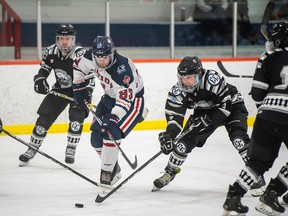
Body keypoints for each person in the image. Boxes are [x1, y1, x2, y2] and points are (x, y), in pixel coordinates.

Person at [152, 56, 261, 192]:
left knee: (239, 139)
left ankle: (255, 174)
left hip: (232, 106)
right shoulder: (178, 91)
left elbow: (225, 107)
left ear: (199, 74)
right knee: (182, 144)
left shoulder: (212, 80)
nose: (185, 82)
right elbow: (175, 116)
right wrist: (170, 135)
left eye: (189, 78)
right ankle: (170, 172)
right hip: (204, 111)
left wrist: (209, 120)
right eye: (182, 78)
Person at [221, 21, 288, 216]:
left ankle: (233, 198)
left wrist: (268, 112)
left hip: (266, 115)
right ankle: (272, 196)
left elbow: (258, 94)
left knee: (257, 163)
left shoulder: (267, 57)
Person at [72, 35, 146, 186]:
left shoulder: (122, 70)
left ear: (112, 53)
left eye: (105, 57)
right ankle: (115, 168)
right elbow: (77, 66)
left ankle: (107, 172)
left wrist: (113, 116)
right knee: (96, 139)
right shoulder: (89, 58)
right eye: (98, 58)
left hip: (132, 102)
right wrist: (79, 87)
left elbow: (125, 101)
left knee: (111, 131)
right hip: (108, 99)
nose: (101, 61)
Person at [19, 24, 95, 166]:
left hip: (79, 90)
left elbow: (90, 76)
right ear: (57, 39)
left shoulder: (81, 55)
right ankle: (32, 148)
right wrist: (40, 79)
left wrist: (87, 93)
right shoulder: (50, 51)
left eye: (67, 38)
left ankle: (71, 149)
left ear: (73, 39)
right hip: (60, 89)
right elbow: (45, 68)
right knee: (43, 118)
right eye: (61, 38)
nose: (64, 42)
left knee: (76, 119)